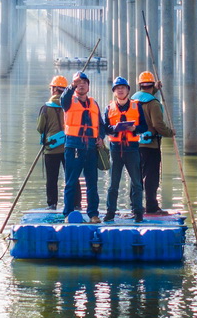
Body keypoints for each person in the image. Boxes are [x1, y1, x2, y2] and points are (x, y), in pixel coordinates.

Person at [59, 71, 108, 223]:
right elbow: (63, 99)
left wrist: (100, 137)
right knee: (71, 181)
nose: (81, 85)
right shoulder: (69, 101)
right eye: (78, 83)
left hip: (91, 148)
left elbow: (100, 124)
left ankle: (93, 214)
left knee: (92, 183)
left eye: (84, 83)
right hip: (74, 146)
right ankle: (68, 213)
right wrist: (71, 85)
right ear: (74, 86)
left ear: (88, 86)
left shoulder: (94, 103)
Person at [131, 71, 176, 215]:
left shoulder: (132, 100)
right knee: (151, 177)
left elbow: (145, 96)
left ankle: (135, 205)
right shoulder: (154, 104)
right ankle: (152, 206)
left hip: (135, 144)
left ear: (140, 85)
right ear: (151, 85)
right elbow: (158, 125)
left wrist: (155, 89)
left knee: (136, 177)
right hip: (151, 146)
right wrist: (170, 132)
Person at [104, 77, 146, 223]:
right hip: (115, 150)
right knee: (113, 183)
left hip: (132, 149)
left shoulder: (137, 106)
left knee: (136, 183)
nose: (120, 90)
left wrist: (134, 128)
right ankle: (110, 212)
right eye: (117, 88)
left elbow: (144, 126)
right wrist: (114, 129)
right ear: (114, 92)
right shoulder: (109, 108)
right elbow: (105, 128)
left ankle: (138, 212)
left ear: (128, 90)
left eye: (123, 87)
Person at [36, 75, 81, 210]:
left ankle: (52, 204)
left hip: (51, 148)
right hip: (69, 146)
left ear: (54, 89)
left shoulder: (45, 108)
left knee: (52, 178)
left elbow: (40, 128)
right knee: (72, 177)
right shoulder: (71, 105)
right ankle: (76, 203)